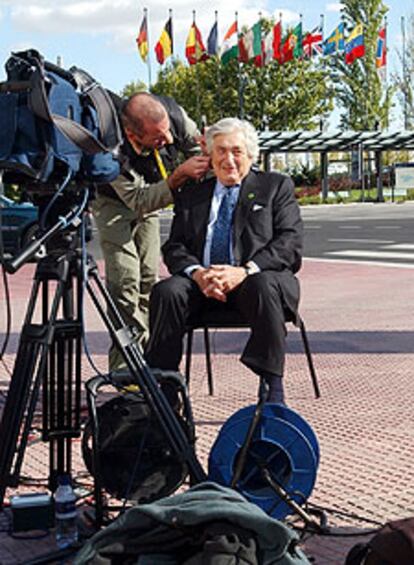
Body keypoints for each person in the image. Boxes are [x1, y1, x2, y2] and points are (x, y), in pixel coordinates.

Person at [145, 117, 303, 404]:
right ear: (209, 156)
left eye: (236, 151)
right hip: (203, 287)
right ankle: (165, 389)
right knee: (166, 292)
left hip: (256, 285)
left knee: (264, 284)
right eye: (220, 151)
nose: (228, 160)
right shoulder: (192, 194)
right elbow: (175, 246)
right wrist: (197, 274)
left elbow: (289, 243)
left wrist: (243, 272)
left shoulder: (275, 186)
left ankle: (272, 390)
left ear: (251, 155)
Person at [92, 92, 210, 371]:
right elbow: (139, 200)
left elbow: (199, 149)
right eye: (158, 138)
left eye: (167, 131)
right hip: (114, 202)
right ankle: (124, 366)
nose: (168, 141)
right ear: (132, 134)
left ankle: (148, 358)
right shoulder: (110, 147)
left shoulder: (176, 116)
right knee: (125, 282)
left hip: (154, 189)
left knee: (148, 277)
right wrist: (178, 176)